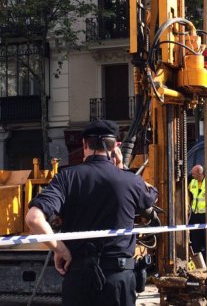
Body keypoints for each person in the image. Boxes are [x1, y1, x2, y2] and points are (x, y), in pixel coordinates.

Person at [25, 120, 158, 305]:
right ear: (114, 148)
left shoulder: (66, 177)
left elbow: (33, 218)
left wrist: (60, 249)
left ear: (84, 145)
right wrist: (122, 168)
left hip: (79, 277)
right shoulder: (130, 180)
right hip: (118, 280)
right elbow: (152, 195)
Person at [188, 164, 207, 254]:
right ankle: (197, 257)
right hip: (194, 214)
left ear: (199, 173)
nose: (192, 175)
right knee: (195, 237)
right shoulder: (192, 182)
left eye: (193, 173)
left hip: (205, 214)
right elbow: (188, 196)